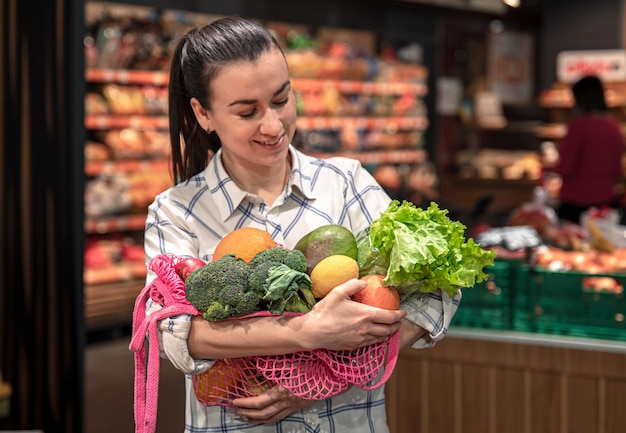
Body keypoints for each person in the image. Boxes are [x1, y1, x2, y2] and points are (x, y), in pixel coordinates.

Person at [137, 16, 460, 433]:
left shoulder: (347, 185)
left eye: (281, 99)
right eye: (247, 111)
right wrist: (308, 333)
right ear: (204, 113)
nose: (273, 126)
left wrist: (323, 377)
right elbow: (173, 335)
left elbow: (435, 290)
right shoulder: (175, 211)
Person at [549, 75, 624, 223]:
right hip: (606, 201)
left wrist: (552, 168)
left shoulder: (578, 127)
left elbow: (565, 168)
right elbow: (617, 171)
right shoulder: (613, 127)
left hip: (576, 205)